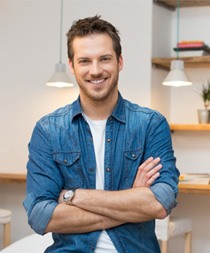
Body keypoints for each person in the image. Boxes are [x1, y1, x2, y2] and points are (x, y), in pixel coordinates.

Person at [23, 15, 179, 252]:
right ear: (72, 66)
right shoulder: (48, 130)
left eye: (104, 59)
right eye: (85, 61)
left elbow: (160, 202)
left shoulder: (150, 124)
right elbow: (40, 216)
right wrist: (133, 200)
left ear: (120, 61)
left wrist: (73, 196)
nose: (95, 70)